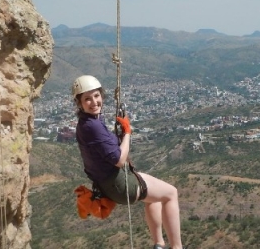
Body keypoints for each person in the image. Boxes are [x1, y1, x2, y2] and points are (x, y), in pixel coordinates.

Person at [72, 75, 186, 249]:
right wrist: (127, 133)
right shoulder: (92, 126)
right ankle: (177, 247)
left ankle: (159, 244)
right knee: (171, 193)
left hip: (110, 183)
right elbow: (119, 159)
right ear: (79, 103)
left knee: (154, 198)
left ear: (101, 96)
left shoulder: (87, 122)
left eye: (96, 96)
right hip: (119, 183)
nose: (94, 102)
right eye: (87, 99)